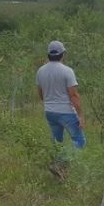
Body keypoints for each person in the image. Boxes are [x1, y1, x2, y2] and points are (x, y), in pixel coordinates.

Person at [36, 40, 86, 178]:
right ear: (63, 54)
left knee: (57, 141)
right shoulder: (67, 71)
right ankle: (60, 164)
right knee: (79, 141)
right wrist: (81, 115)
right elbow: (74, 95)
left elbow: (41, 94)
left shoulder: (40, 71)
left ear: (48, 54)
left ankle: (59, 170)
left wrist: (50, 104)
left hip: (49, 111)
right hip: (66, 112)